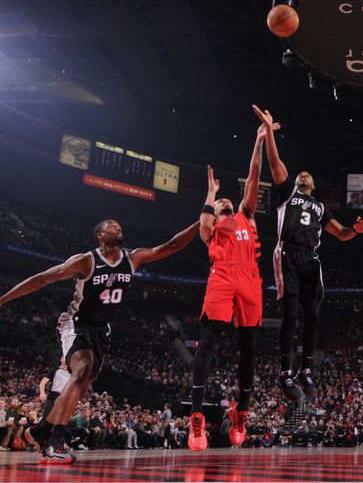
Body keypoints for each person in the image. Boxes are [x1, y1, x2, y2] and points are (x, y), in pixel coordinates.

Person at [0, 218, 199, 463]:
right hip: (78, 322)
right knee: (82, 370)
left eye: (119, 225)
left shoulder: (132, 258)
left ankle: (41, 431)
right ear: (100, 236)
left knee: (81, 384)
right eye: (112, 226)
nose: (118, 227)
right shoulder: (86, 261)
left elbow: (171, 246)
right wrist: (3, 300)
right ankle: (54, 444)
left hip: (102, 331)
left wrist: (202, 221)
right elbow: (42, 278)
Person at [252, 105, 363, 401]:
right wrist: (268, 133)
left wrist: (355, 229)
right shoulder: (286, 194)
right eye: (300, 174)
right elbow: (273, 160)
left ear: (313, 185)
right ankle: (285, 371)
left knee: (313, 316)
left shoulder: (320, 207)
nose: (303, 176)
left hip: (311, 259)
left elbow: (341, 234)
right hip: (288, 254)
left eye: (307, 175)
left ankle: (306, 370)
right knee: (291, 316)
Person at [189, 122, 269, 452]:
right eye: (219, 202)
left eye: (225, 199)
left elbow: (252, 176)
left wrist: (259, 140)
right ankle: (196, 419)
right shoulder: (213, 229)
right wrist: (210, 193)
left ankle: (241, 412)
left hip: (250, 279)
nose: (224, 201)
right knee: (208, 342)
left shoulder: (247, 217)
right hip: (221, 276)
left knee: (248, 348)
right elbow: (204, 222)